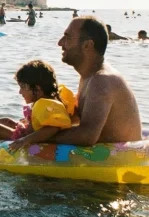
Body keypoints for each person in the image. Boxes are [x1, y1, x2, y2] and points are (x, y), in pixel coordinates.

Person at [50, 17, 142, 146]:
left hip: (123, 163)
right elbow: (77, 122)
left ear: (87, 45)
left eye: (67, 37)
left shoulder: (102, 81)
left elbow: (87, 136)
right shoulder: (88, 78)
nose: (60, 43)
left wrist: (36, 137)